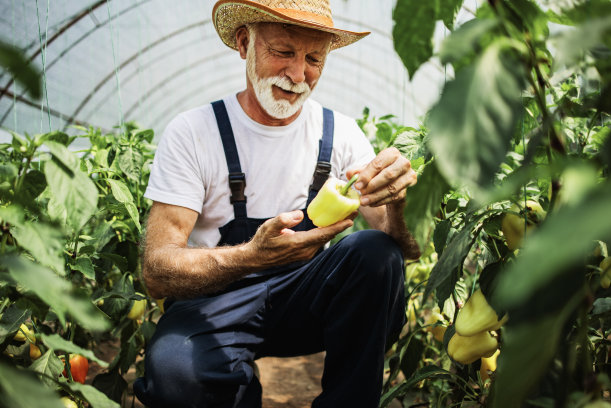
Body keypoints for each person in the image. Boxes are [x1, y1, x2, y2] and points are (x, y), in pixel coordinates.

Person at [134, 0, 420, 407]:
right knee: (177, 374)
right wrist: (251, 256)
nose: (298, 74)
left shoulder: (339, 133)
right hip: (215, 301)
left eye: (314, 59)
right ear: (244, 42)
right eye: (283, 52)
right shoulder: (194, 132)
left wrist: (397, 203)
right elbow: (157, 271)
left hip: (303, 301)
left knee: (375, 252)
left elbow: (404, 248)